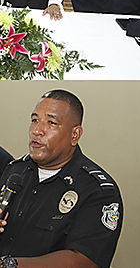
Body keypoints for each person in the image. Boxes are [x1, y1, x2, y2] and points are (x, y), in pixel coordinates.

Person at [0, 90, 123, 267]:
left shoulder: (98, 190)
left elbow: (82, 261)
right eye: (35, 120)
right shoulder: (15, 171)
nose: (37, 131)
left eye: (51, 123)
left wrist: (8, 265)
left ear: (75, 135)